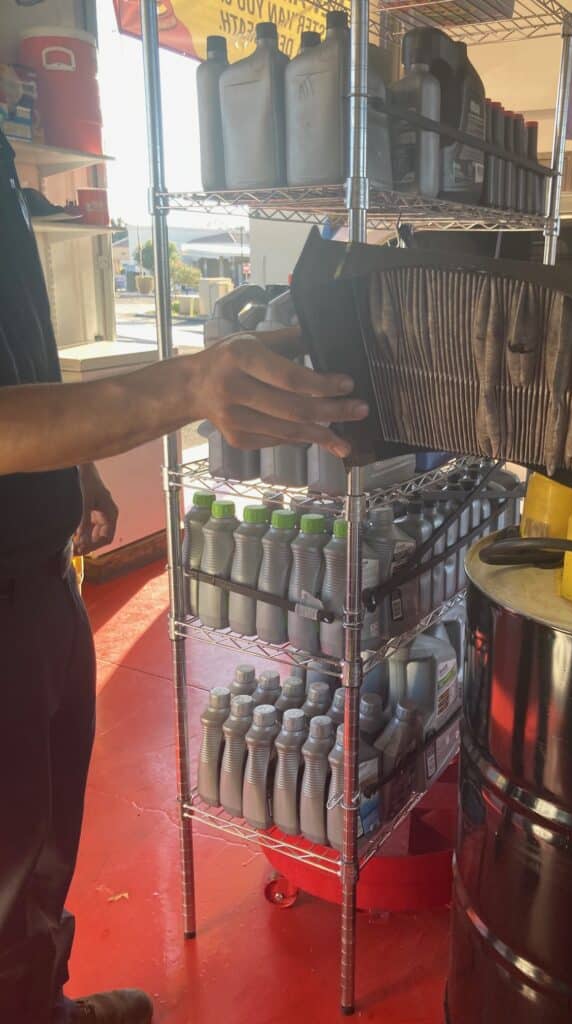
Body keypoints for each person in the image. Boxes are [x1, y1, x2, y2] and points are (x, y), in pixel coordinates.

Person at [0, 127, 367, 1024]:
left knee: (44, 843)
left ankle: (37, 1002)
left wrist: (75, 462)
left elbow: (21, 338)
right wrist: (188, 388)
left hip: (39, 572)